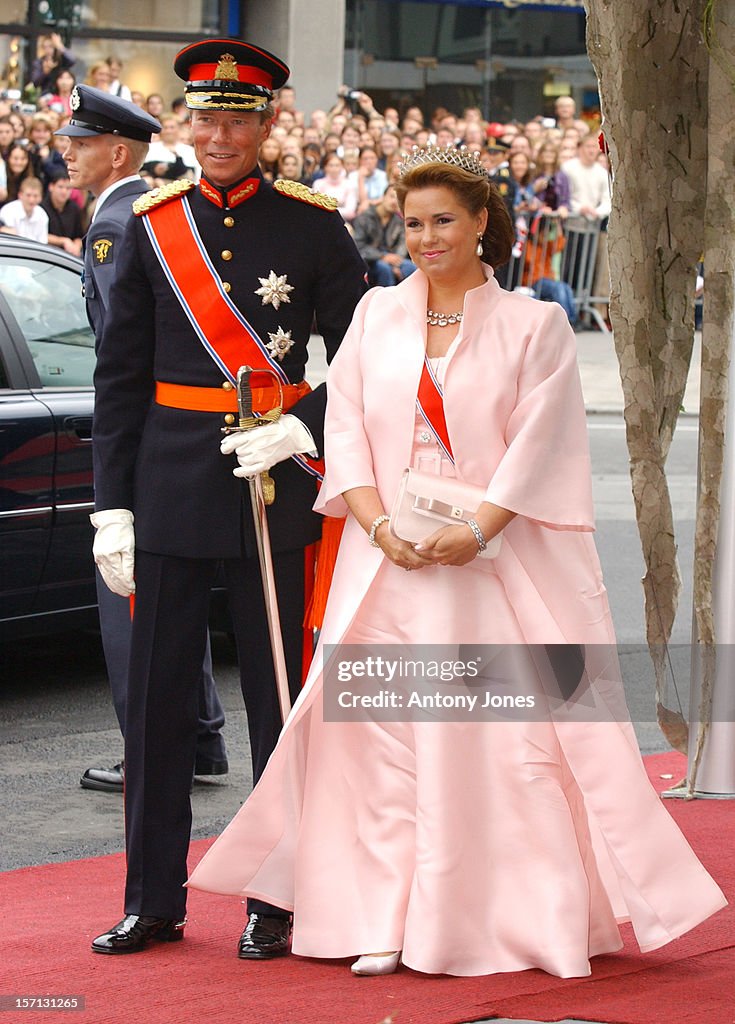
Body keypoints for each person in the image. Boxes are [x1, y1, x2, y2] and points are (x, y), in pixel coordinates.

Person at [188, 145, 726, 977]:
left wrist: (474, 530)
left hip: (487, 563)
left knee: (494, 744)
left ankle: (507, 918)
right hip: (388, 559)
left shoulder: (534, 325)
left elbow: (541, 445)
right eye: (410, 223)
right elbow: (349, 431)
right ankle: (378, 916)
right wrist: (373, 526)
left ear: (481, 224)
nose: (425, 238)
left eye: (443, 221)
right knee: (371, 742)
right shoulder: (375, 316)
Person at [88, 38, 366, 956]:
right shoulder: (150, 225)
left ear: (267, 124)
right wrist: (111, 507)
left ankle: (274, 897)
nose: (220, 134)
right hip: (167, 484)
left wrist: (303, 426)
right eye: (206, 117)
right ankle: (152, 898)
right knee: (158, 702)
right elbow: (118, 377)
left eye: (238, 119)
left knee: (275, 709)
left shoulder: (315, 226)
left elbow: (366, 358)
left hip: (270, 487)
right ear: (187, 123)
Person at [54, 85, 228, 795]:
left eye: (80, 140)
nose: (66, 148)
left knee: (130, 605)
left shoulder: (117, 225)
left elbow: (117, 351)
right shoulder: (142, 213)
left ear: (117, 151)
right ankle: (200, 742)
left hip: (138, 429)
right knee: (160, 593)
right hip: (164, 424)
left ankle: (156, 754)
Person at [352, 183, 415, 286]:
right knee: (384, 269)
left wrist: (395, 264)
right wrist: (382, 256)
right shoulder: (365, 217)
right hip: (371, 260)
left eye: (398, 199)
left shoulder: (399, 221)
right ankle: (387, 301)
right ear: (383, 197)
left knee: (411, 268)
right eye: (391, 196)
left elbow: (402, 245)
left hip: (392, 258)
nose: (394, 202)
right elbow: (359, 246)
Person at [41, 172, 83, 256]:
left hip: (70, 254)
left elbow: (79, 235)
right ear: (51, 187)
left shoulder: (74, 208)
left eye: (68, 188)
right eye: (60, 187)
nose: (64, 191)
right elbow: (40, 234)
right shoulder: (41, 208)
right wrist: (63, 241)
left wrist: (76, 247)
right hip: (47, 253)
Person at [0, 176, 48, 242]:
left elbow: (43, 242)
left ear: (41, 197)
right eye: (28, 195)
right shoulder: (8, 211)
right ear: (20, 195)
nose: (31, 200)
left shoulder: (42, 215)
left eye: (35, 196)